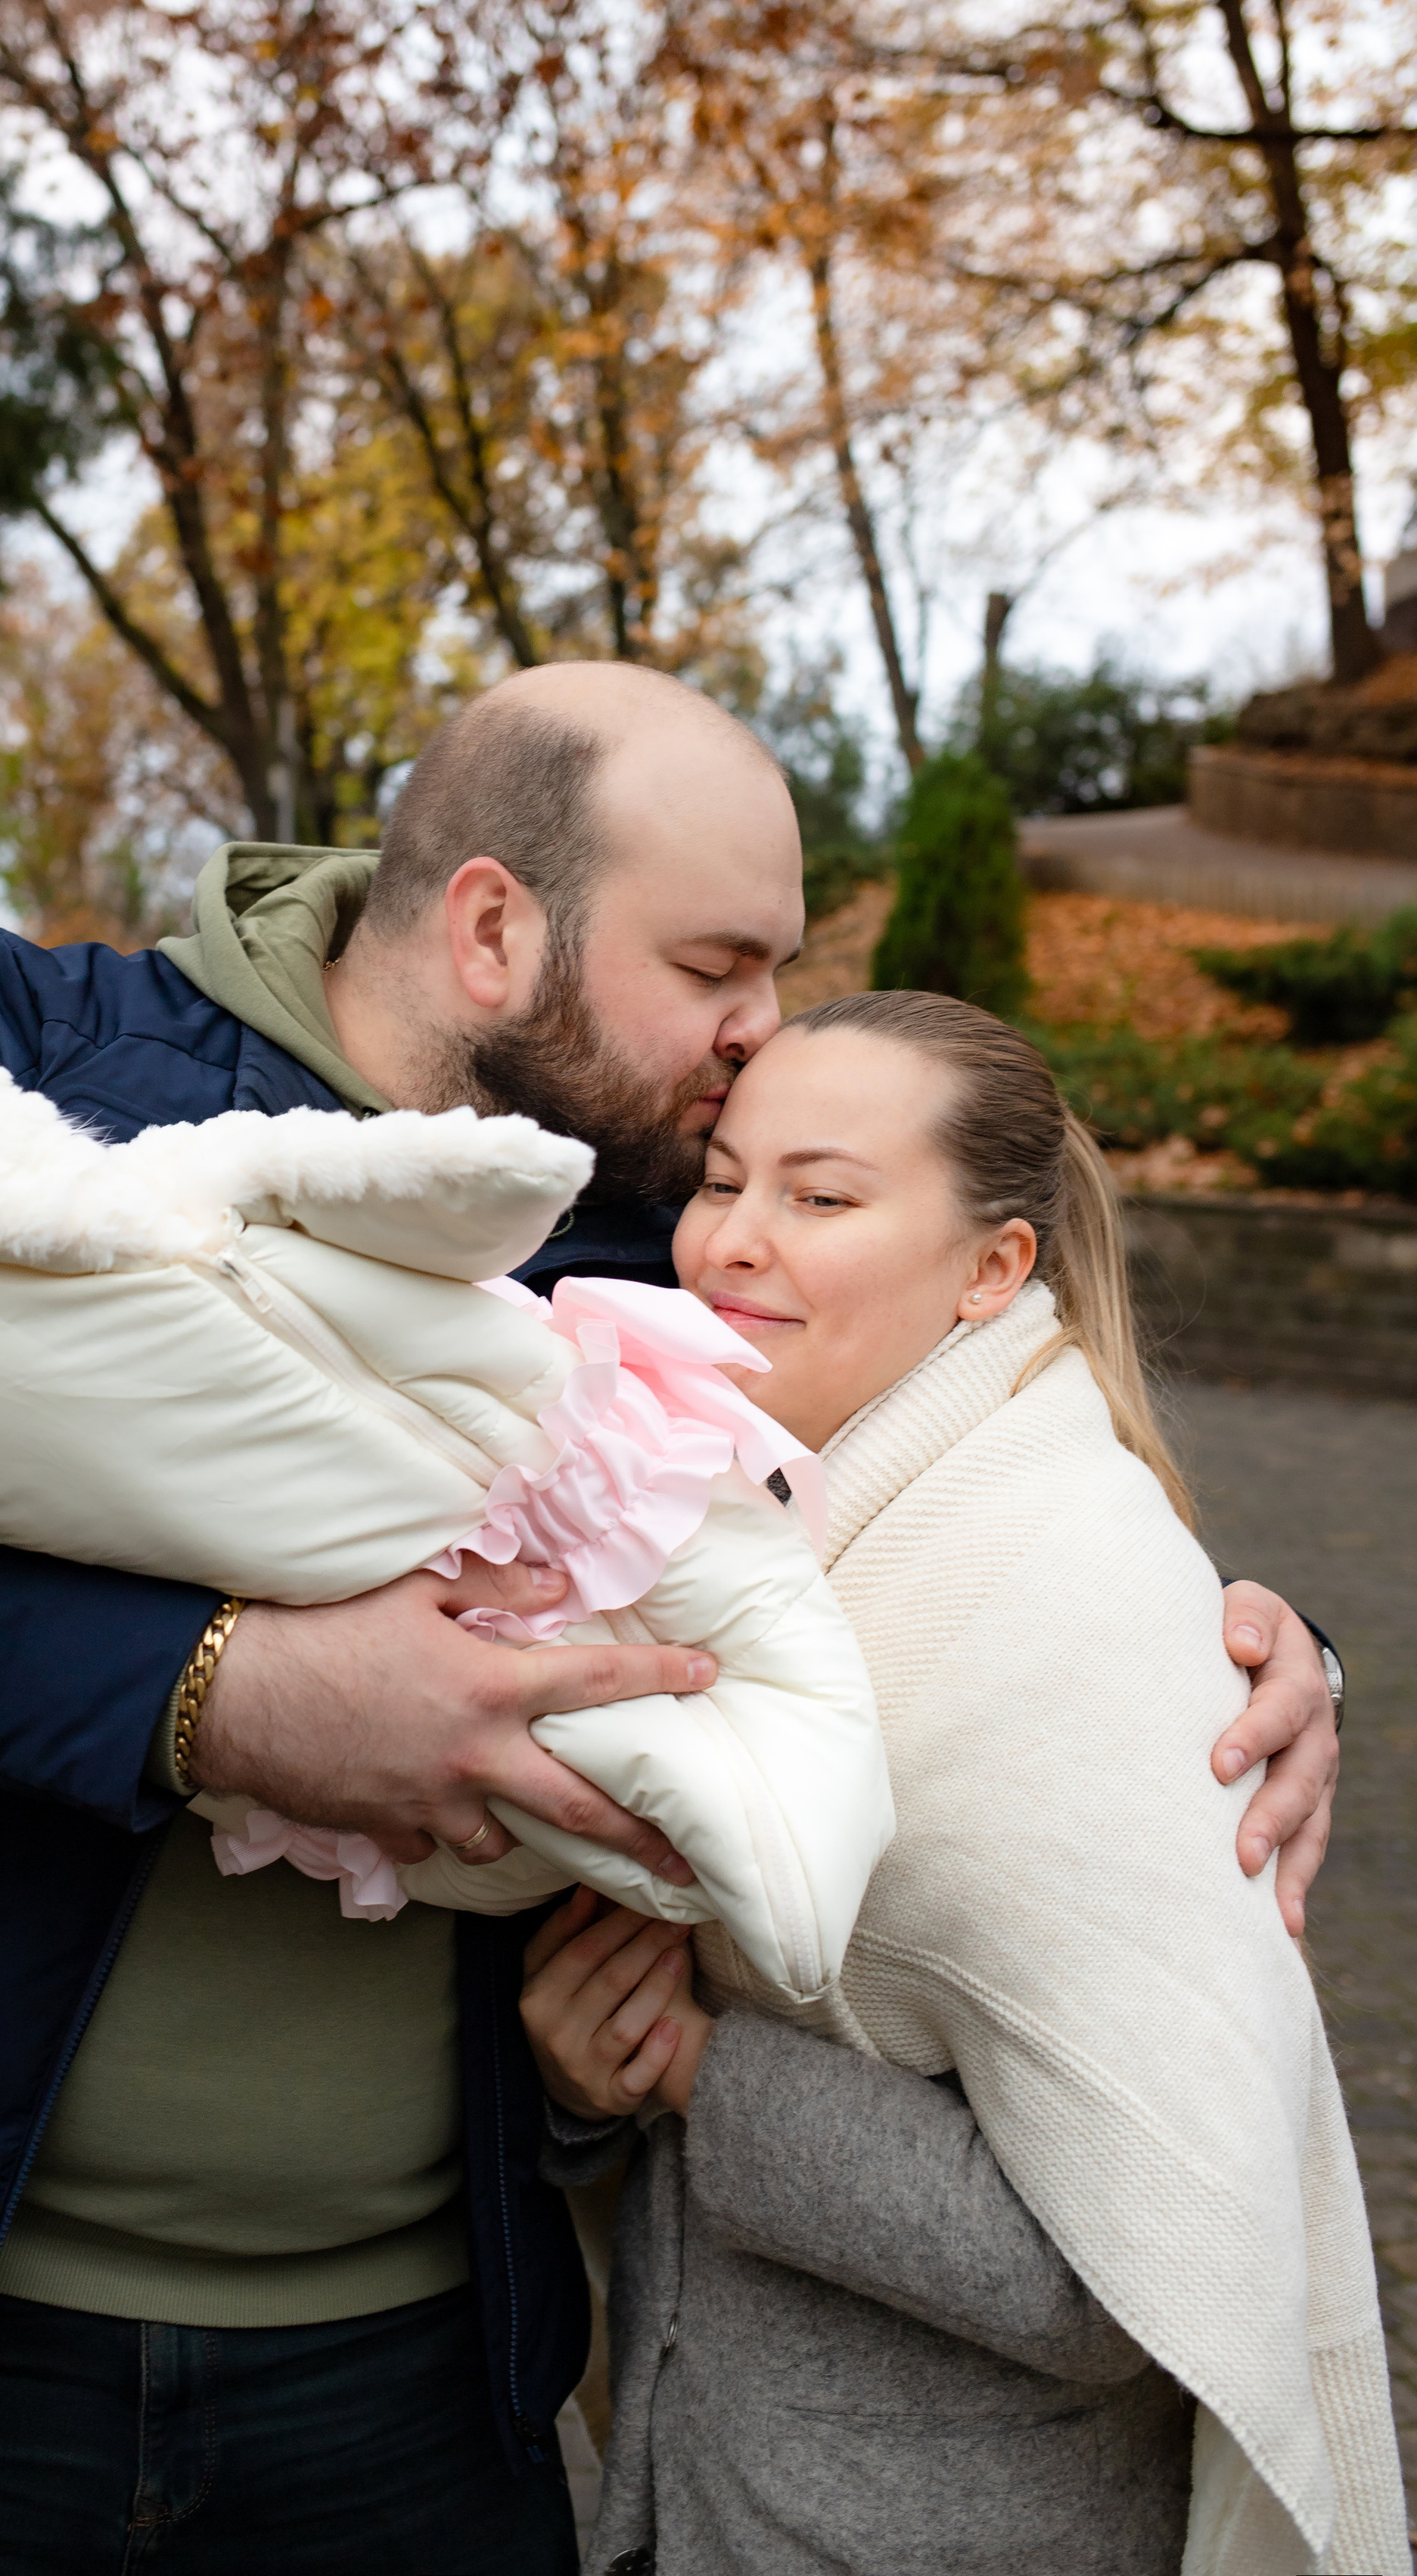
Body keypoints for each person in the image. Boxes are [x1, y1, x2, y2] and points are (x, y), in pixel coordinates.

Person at [0, 665, 1340, 2574]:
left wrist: (1239, 1651)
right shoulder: (24, 1048)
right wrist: (209, 1700)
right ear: (496, 927)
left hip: (407, 2390)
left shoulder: (650, 1225)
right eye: (718, 967)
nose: (759, 1041)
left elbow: (951, 1487)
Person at [521, 991, 1403, 2576]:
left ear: (995, 1268)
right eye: (721, 1181)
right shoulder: (758, 1530)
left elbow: (1134, 2257)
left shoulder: (1065, 1606)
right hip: (709, 2500)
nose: (729, 1241)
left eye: (823, 1196)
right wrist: (595, 2090)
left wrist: (691, 2077)